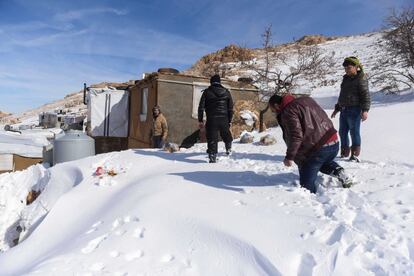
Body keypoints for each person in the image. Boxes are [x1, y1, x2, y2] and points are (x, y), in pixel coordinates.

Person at [268, 94, 352, 193]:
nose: (274, 112)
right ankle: (340, 172)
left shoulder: (288, 111)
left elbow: (296, 136)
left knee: (306, 186)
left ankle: (311, 202)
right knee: (322, 162)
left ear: (277, 105)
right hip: (333, 141)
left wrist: (289, 157)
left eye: (272, 109)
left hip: (318, 149)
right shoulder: (306, 99)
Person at [331, 56, 370, 162]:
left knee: (354, 132)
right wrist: (337, 108)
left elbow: (365, 95)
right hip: (344, 110)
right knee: (342, 132)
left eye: (349, 67)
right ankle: (344, 153)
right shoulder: (346, 78)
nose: (346, 70)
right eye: (345, 68)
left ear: (356, 67)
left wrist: (365, 110)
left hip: (355, 110)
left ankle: (355, 155)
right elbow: (342, 95)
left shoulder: (361, 78)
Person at [198, 74, 234, 163]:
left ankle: (212, 156)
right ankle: (228, 147)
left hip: (211, 119)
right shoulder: (226, 92)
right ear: (219, 82)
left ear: (211, 82)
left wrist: (200, 120)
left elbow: (201, 107)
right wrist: (229, 120)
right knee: (226, 134)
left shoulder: (206, 92)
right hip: (224, 119)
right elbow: (230, 108)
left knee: (212, 138)